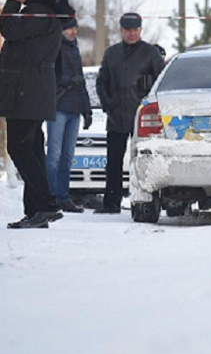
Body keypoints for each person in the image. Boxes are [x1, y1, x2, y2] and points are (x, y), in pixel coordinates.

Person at [0, 0, 74, 228]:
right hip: (34, 90)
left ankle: (46, 204)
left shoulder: (38, 12)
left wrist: (10, 4)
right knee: (32, 150)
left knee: (19, 148)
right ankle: (35, 212)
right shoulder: (46, 11)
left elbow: (7, 29)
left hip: (25, 90)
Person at [95, 12, 165, 213]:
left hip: (143, 118)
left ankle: (148, 201)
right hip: (116, 116)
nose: (132, 34)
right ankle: (111, 204)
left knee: (146, 160)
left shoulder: (150, 53)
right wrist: (107, 104)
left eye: (135, 30)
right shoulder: (111, 53)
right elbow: (102, 82)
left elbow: (161, 83)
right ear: (121, 31)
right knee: (113, 162)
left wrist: (150, 106)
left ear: (140, 30)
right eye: (128, 30)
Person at [46, 18, 92, 213]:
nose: (73, 31)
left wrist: (87, 109)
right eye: (69, 28)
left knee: (67, 156)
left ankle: (64, 196)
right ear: (62, 30)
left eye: (74, 27)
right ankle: (50, 197)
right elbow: (48, 76)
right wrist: (67, 80)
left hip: (74, 109)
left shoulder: (75, 48)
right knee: (54, 156)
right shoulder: (54, 47)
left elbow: (81, 82)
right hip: (57, 108)